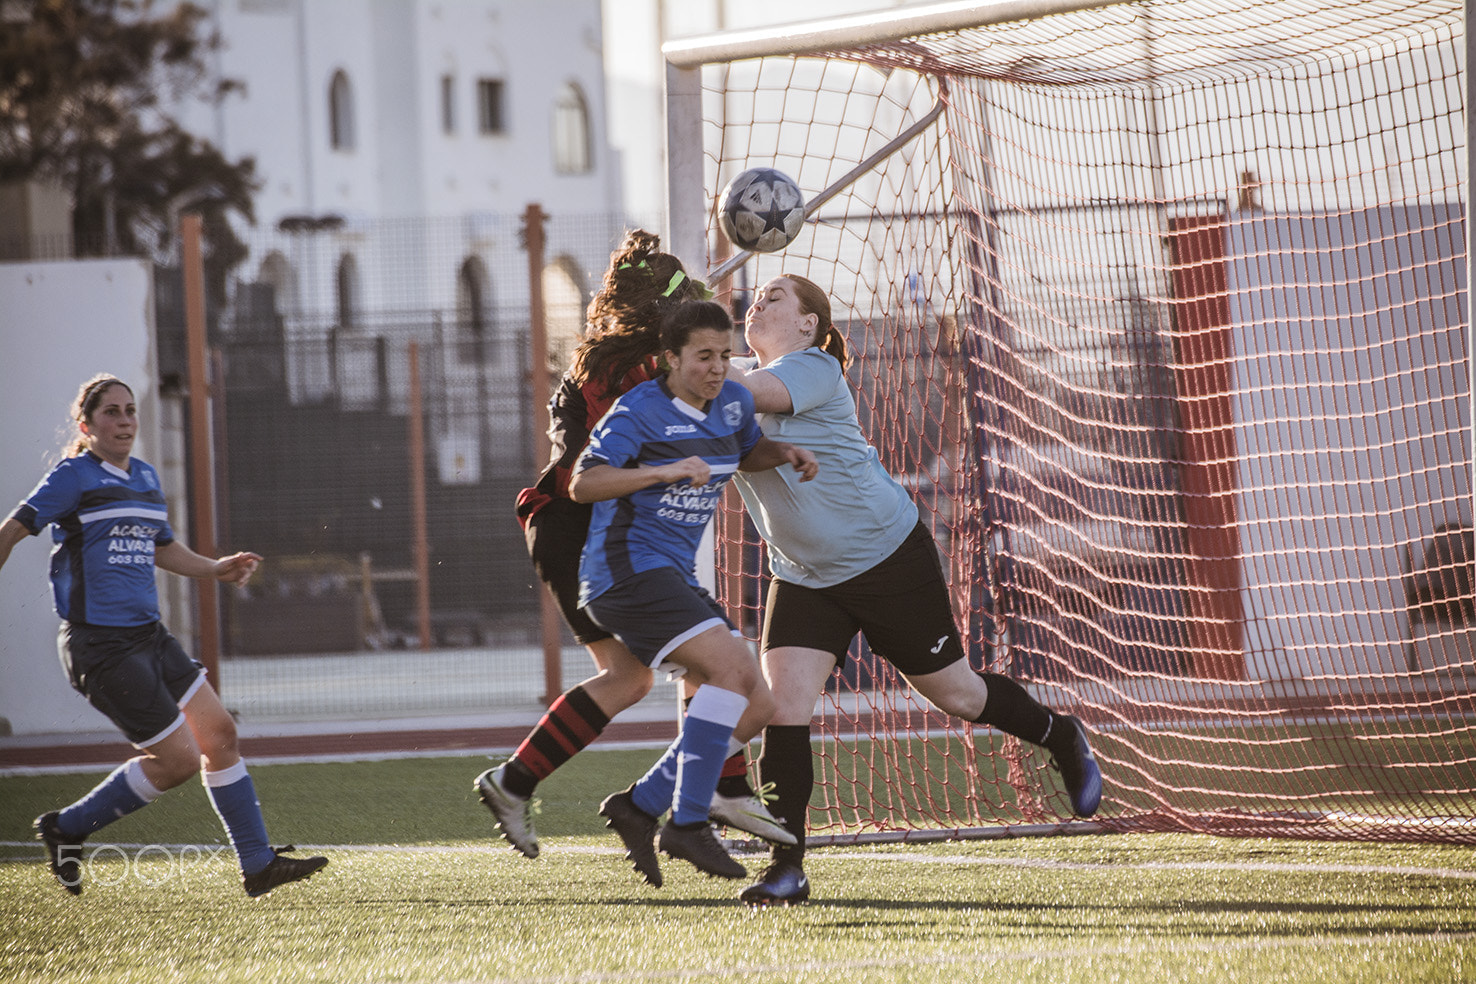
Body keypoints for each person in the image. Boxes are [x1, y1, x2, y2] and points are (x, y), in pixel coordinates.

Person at [727, 275, 1103, 905]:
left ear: (808, 325)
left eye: (776, 297)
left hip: (884, 557)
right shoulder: (726, 370)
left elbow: (740, 391)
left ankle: (1059, 735)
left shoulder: (812, 369)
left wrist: (683, 362)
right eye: (756, 297)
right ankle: (785, 866)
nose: (758, 302)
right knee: (784, 707)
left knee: (956, 693)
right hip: (802, 575)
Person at [476, 231, 792, 859]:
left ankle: (523, 783)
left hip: (619, 531)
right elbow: (579, 477)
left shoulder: (649, 362)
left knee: (649, 675)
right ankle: (694, 796)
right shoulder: (620, 373)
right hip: (576, 526)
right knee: (645, 674)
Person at [0, 375, 328, 898]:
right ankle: (67, 827)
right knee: (177, 760)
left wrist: (215, 567)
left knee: (219, 734)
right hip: (99, 646)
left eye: (130, 410)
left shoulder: (147, 478)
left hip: (149, 638)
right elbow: (14, 528)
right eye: (111, 411)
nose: (125, 419)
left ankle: (258, 864)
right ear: (86, 426)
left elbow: (161, 548)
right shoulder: (73, 476)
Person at [571, 299, 818, 884]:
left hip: (671, 577)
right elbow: (585, 483)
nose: (715, 367)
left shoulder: (733, 401)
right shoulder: (639, 410)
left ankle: (640, 805)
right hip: (626, 573)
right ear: (670, 358)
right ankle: (686, 824)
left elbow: (743, 449)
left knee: (758, 703)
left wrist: (780, 452)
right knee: (734, 671)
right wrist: (663, 471)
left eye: (723, 355)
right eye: (702, 356)